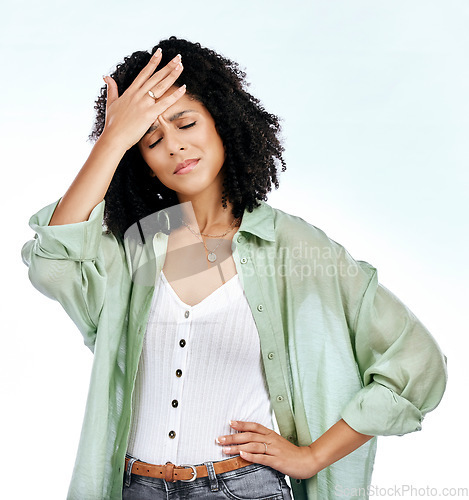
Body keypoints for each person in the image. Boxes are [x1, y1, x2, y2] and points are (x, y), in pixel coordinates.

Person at [21, 36, 447, 500]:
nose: (175, 147)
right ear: (138, 160)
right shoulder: (135, 248)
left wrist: (313, 456)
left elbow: (417, 362)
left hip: (244, 489)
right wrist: (114, 138)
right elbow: (54, 265)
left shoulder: (293, 247)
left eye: (186, 123)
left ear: (222, 122)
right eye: (151, 139)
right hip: (134, 488)